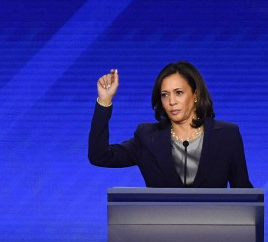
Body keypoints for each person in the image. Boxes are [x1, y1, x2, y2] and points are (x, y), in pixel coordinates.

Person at [88, 61, 252, 188]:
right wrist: (104, 100)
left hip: (215, 230)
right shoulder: (147, 138)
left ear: (196, 94)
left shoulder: (227, 136)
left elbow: (244, 192)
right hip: (162, 230)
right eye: (165, 95)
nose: (171, 101)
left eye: (179, 93)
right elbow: (99, 156)